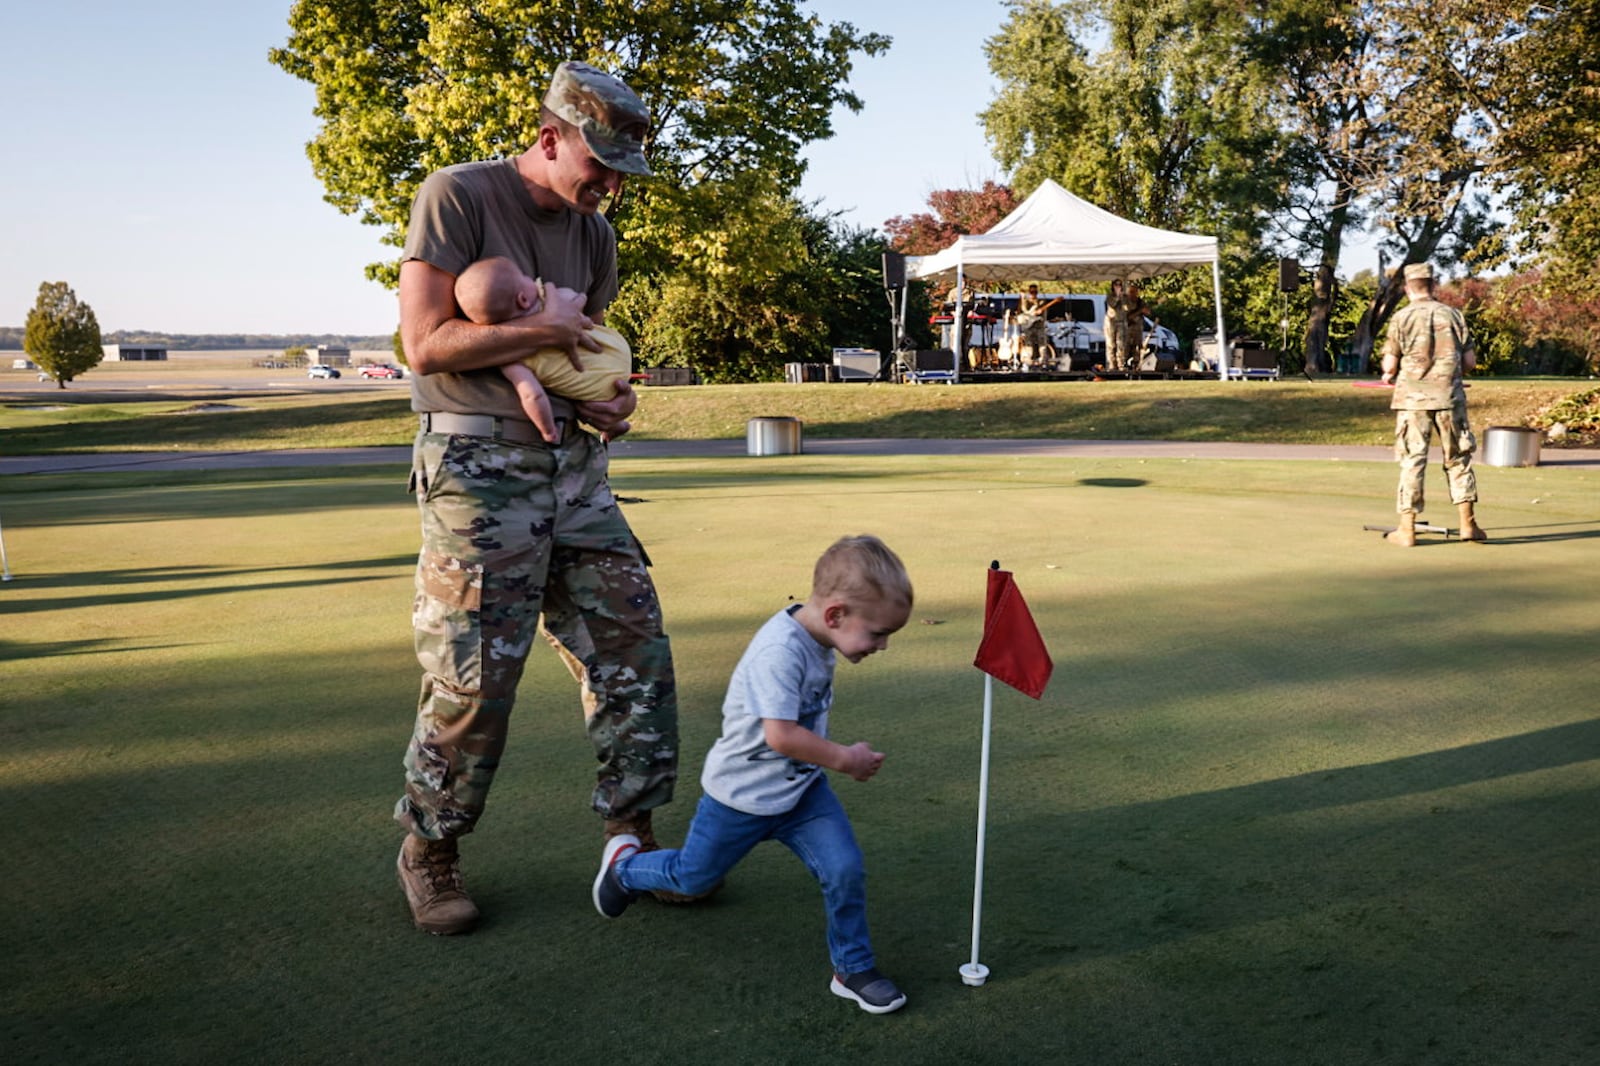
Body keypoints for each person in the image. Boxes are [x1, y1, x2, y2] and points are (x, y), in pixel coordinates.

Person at [393, 60, 680, 936]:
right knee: (477, 675)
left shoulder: (596, 238)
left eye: (623, 176)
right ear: (550, 138)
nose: (608, 191)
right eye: (598, 170)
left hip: (575, 469)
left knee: (634, 650)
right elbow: (424, 344)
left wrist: (613, 401)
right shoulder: (459, 196)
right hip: (477, 472)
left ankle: (633, 842)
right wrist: (541, 327)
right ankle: (430, 849)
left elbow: (578, 363)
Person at [592, 535, 914, 1015]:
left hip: (802, 793)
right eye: (877, 634)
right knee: (690, 876)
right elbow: (780, 735)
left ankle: (852, 968)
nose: (882, 645)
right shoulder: (779, 653)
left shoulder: (823, 636)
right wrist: (846, 758)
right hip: (738, 798)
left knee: (844, 869)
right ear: (835, 615)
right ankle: (625, 868)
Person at [454, 256, 634, 435]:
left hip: (597, 388)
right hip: (612, 348)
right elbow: (576, 298)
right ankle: (614, 425)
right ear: (523, 299)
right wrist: (552, 292)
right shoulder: (550, 301)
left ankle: (614, 427)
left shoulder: (510, 356)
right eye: (524, 277)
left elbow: (532, 395)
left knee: (577, 397)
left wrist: (548, 429)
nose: (530, 278)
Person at [1379, 262, 1488, 546]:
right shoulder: (1453, 315)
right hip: (1449, 398)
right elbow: (1470, 362)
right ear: (1433, 285)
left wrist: (1388, 374)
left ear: (1407, 288)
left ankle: (1407, 529)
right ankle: (1468, 525)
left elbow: (1390, 364)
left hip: (1412, 401)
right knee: (1458, 460)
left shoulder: (1401, 318)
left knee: (1413, 460)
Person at [1016, 284, 1060, 366]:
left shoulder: (1041, 301)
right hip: (1028, 327)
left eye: (1035, 292)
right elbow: (1024, 311)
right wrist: (1021, 298)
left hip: (1039, 326)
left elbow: (1039, 311)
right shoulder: (1026, 301)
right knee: (1028, 344)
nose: (1033, 293)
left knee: (1042, 344)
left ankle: (1043, 361)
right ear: (1029, 292)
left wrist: (1054, 301)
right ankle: (1027, 361)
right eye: (1032, 292)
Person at [1103, 280, 1126, 370]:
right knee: (1110, 344)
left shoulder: (1124, 297)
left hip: (1121, 321)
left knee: (1121, 344)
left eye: (1120, 285)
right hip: (1110, 322)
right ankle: (1111, 364)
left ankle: (1121, 364)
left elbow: (1127, 308)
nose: (1118, 286)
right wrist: (1117, 297)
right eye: (1116, 285)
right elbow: (1112, 304)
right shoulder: (1109, 296)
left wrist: (1123, 298)